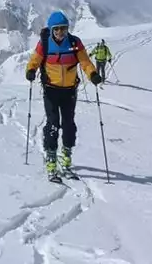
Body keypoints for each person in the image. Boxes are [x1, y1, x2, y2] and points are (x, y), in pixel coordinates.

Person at [25, 11, 101, 178]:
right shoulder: (44, 44)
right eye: (57, 29)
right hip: (51, 90)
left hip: (69, 91)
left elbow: (85, 62)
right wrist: (30, 70)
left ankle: (66, 157)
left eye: (64, 29)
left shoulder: (74, 43)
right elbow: (35, 60)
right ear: (52, 29)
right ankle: (51, 158)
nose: (60, 32)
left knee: (68, 125)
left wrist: (93, 74)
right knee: (53, 124)